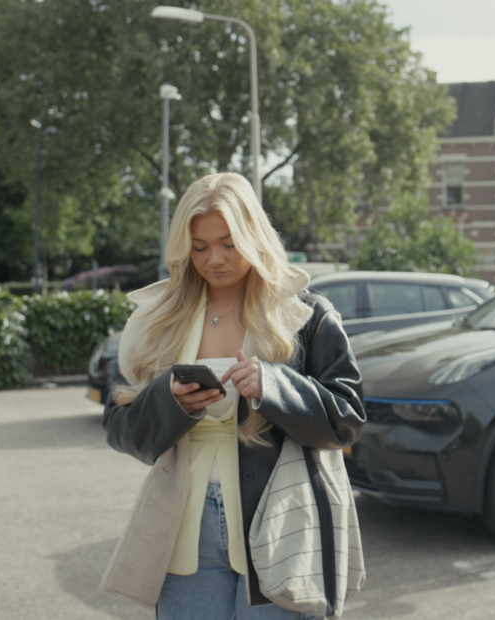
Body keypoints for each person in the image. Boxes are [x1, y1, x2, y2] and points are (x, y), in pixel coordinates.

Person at [99, 172, 365, 619]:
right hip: (183, 524)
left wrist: (273, 387)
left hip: (280, 521)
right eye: (199, 247)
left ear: (254, 235)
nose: (214, 259)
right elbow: (121, 430)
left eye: (228, 243)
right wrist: (171, 402)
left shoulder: (307, 314)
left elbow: (347, 420)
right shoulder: (158, 320)